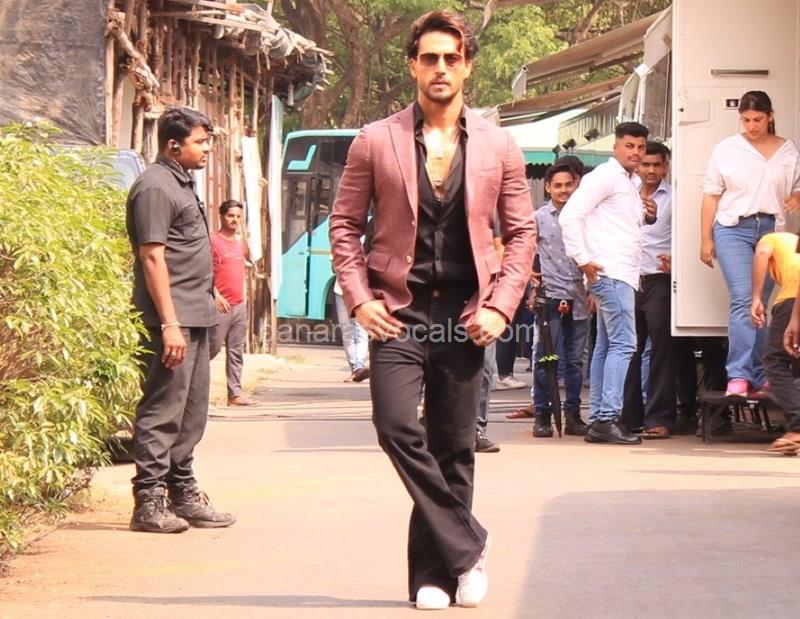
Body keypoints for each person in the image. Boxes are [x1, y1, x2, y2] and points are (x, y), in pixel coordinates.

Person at [329, 10, 535, 610]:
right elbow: (344, 226)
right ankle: (470, 544)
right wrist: (360, 298)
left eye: (451, 58)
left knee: (454, 446)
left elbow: (522, 233)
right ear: (413, 66)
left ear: (467, 67)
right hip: (398, 311)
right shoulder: (375, 140)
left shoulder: (499, 144)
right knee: (395, 426)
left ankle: (437, 576)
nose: (440, 68)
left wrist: (501, 307)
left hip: (468, 315)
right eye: (429, 58)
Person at [126, 107, 235, 533]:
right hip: (170, 321)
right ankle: (149, 502)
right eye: (200, 142)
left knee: (191, 412)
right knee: (163, 409)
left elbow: (186, 253)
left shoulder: (182, 183)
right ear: (174, 145)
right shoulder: (155, 187)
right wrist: (169, 324)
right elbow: (152, 257)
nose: (207, 149)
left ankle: (182, 492)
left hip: (196, 315)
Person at [559, 122, 656, 445]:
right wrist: (582, 259)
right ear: (616, 147)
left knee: (606, 345)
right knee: (624, 344)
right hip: (610, 271)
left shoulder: (630, 181)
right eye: (630, 146)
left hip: (617, 272)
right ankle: (607, 418)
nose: (636, 152)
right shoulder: (605, 176)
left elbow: (619, 225)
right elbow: (570, 216)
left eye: (641, 147)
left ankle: (601, 415)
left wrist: (647, 214)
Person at [700, 90, 800, 397]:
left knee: (760, 305)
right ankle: (739, 375)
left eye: (757, 119)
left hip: (772, 231)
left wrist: (795, 199)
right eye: (745, 120)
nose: (751, 126)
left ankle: (759, 373)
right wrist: (705, 238)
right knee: (745, 298)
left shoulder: (788, 150)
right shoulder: (726, 148)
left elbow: (797, 188)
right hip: (733, 228)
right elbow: (711, 194)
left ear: (770, 117)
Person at [531, 162, 590, 438]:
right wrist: (529, 278)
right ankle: (542, 415)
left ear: (576, 185)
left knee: (575, 361)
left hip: (580, 296)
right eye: (558, 185)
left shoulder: (588, 216)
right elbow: (520, 249)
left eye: (568, 184)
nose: (563, 190)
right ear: (548, 187)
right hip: (550, 298)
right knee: (546, 358)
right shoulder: (538, 218)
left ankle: (573, 416)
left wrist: (593, 291)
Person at [621, 142, 676, 438]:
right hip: (627, 278)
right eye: (646, 164)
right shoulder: (624, 193)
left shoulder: (675, 198)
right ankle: (628, 419)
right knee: (628, 349)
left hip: (659, 280)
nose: (651, 170)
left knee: (661, 351)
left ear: (666, 167)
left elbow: (685, 236)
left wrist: (677, 262)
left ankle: (659, 418)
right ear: (638, 165)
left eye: (657, 164)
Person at [751, 232, 800, 454]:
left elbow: (762, 252)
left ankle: (798, 425)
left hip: (791, 299)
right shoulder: (791, 241)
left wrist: (756, 298)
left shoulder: (769, 239)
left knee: (774, 361)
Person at [209, 199, 257, 406]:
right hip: (220, 306)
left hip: (239, 306)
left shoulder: (241, 243)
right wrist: (215, 295)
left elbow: (246, 265)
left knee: (236, 352)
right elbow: (204, 271)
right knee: (211, 349)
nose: (235, 220)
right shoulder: (212, 241)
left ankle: (235, 394)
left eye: (238, 216)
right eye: (231, 216)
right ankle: (192, 390)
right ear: (221, 216)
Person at [334, 277, 370, 382]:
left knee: (360, 331)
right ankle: (356, 369)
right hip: (341, 292)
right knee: (348, 333)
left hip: (361, 292)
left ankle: (358, 367)